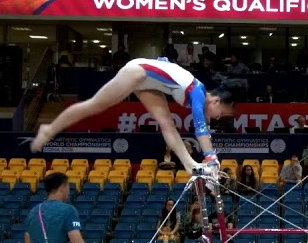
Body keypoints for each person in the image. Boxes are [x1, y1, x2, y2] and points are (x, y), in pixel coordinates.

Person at [30, 58, 236, 181]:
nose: (220, 117)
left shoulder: (200, 96)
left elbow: (205, 128)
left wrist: (210, 165)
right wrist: (211, 158)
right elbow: (201, 129)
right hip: (138, 72)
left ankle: (189, 165)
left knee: (167, 123)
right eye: (222, 113)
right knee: (96, 105)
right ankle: (50, 128)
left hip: (149, 81)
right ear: (216, 100)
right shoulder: (198, 93)